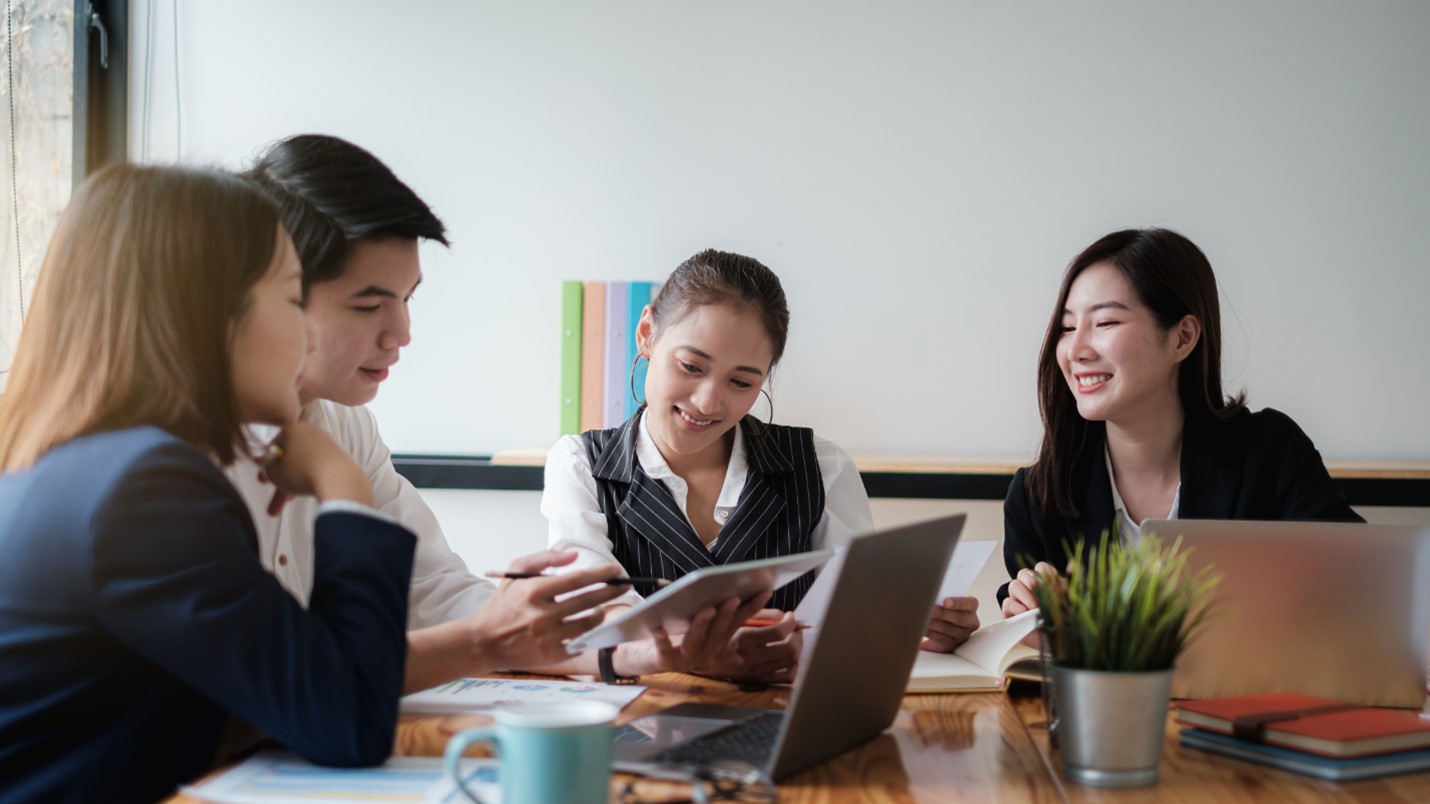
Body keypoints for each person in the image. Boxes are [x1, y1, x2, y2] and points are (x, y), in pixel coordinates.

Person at [0, 164, 473, 801]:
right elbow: (346, 718)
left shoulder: (85, 461)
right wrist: (340, 485)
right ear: (206, 313)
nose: (306, 333)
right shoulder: (149, 489)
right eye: (288, 297)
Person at [233, 134, 737, 690]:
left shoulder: (346, 426)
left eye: (407, 300)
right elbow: (303, 672)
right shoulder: (181, 451)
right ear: (268, 295)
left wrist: (635, 651)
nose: (401, 334)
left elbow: (437, 593)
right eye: (368, 305)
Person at [541, 249, 980, 685]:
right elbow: (588, 612)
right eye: (691, 366)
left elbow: (861, 612)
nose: (707, 402)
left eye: (741, 382)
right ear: (646, 333)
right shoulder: (582, 466)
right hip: (634, 727)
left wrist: (920, 628)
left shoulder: (820, 468)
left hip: (785, 726)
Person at [1000, 228, 1362, 616]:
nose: (1075, 350)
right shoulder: (1039, 497)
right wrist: (1024, 618)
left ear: (1182, 337)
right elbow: (1035, 663)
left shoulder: (1270, 453)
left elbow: (1358, 583)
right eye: (1068, 327)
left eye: (1104, 323)